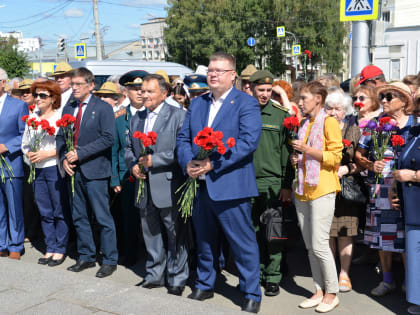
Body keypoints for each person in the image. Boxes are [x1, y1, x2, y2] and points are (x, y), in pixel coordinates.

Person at [177, 52, 262, 313]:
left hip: (231, 185)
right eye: (210, 70)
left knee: (242, 242)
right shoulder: (198, 103)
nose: (212, 75)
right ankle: (205, 283)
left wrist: (213, 164)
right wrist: (188, 163)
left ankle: (251, 292)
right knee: (204, 240)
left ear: (232, 75)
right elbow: (183, 138)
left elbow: (248, 143)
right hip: (200, 185)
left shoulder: (246, 103)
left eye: (219, 71)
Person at [125, 74, 189, 296]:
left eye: (150, 91)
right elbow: (128, 148)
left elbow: (181, 150)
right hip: (144, 186)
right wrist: (133, 165)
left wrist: (157, 160)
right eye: (142, 90)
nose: (144, 95)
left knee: (174, 233)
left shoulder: (178, 116)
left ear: (164, 94)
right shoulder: (136, 119)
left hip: (168, 184)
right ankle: (154, 275)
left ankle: (177, 277)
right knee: (150, 232)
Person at [56, 67, 118, 278]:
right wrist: (64, 157)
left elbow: (108, 138)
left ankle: (110, 259)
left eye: (78, 84)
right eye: (72, 84)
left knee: (102, 217)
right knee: (79, 215)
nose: (73, 88)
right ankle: (86, 255)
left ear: (91, 85)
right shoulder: (69, 107)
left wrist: (80, 153)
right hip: (74, 171)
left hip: (95, 170)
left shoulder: (102, 108)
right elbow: (61, 137)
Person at [355, 82, 414, 296]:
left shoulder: (414, 125)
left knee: (408, 237)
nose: (385, 101)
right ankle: (387, 280)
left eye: (390, 97)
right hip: (380, 189)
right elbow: (359, 154)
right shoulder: (375, 124)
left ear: (404, 100)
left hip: (407, 190)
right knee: (383, 237)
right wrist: (371, 164)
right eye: (383, 97)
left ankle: (412, 282)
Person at [290, 81, 342, 312]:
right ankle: (318, 290)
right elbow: (304, 155)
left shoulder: (329, 122)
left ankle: (332, 292)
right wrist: (297, 159)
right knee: (311, 246)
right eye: (300, 99)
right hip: (302, 189)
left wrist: (306, 151)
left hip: (323, 188)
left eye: (304, 98)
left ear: (318, 99)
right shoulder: (304, 123)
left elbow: (335, 158)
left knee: (320, 244)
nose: (300, 102)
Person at [249, 70, 293, 297]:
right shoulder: (242, 111)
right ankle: (256, 274)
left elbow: (287, 153)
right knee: (252, 232)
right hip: (245, 181)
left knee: (273, 232)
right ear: (251, 88)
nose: (265, 94)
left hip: (272, 181)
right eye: (261, 90)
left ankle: (273, 277)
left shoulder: (280, 115)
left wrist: (287, 184)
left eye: (269, 90)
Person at [21, 80, 69, 267]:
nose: (38, 99)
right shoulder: (33, 116)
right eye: (36, 95)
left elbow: (66, 144)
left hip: (53, 167)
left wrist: (48, 153)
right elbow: (25, 141)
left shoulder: (59, 117)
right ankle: (50, 246)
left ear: (53, 98)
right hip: (37, 168)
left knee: (59, 209)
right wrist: (29, 153)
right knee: (44, 210)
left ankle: (60, 248)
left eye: (43, 95)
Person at [325, 91, 363, 292]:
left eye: (337, 109)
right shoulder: (320, 128)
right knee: (327, 233)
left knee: (345, 231)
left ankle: (344, 273)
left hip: (345, 188)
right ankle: (330, 272)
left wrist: (346, 169)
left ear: (345, 111)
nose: (332, 112)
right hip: (323, 186)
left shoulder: (353, 130)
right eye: (329, 108)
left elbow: (361, 162)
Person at [111, 70, 148, 266]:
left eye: (142, 89)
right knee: (129, 217)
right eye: (135, 89)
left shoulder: (154, 114)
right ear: (126, 92)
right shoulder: (119, 118)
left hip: (151, 174)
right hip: (128, 175)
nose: (140, 93)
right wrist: (115, 179)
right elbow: (115, 150)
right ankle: (130, 253)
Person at [391, 90, 420, 315]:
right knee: (415, 255)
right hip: (412, 206)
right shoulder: (415, 132)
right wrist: (395, 188)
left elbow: (410, 170)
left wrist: (413, 176)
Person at [0, 67, 28, 260]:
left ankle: (16, 245)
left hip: (11, 163)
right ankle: (1, 243)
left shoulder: (18, 105)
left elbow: (24, 134)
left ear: (3, 82)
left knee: (14, 207)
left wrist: (6, 146)